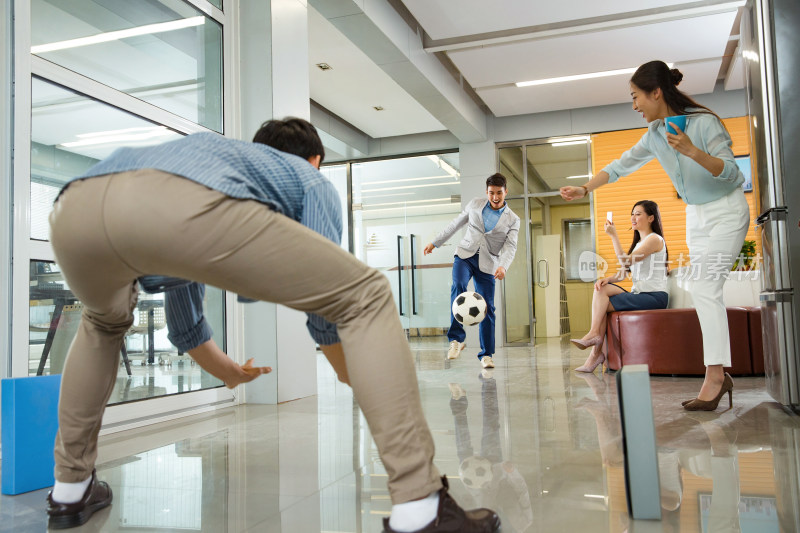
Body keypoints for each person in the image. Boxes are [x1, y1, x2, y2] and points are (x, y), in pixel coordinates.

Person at [45, 117, 501, 533]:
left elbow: (181, 274)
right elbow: (334, 304)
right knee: (367, 294)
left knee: (103, 325)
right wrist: (350, 371)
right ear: (316, 160)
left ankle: (70, 489)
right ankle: (420, 508)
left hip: (74, 208)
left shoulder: (214, 158)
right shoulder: (309, 179)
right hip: (174, 204)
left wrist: (224, 370)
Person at [561, 60, 750, 411]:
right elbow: (620, 165)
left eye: (636, 97)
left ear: (656, 92)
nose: (634, 106)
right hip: (695, 214)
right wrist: (586, 188)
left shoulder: (704, 123)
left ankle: (715, 375)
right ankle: (719, 374)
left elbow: (733, 176)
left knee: (707, 287)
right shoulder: (654, 135)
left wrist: (692, 151)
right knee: (702, 290)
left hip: (725, 211)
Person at [424, 173, 519, 369]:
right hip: (465, 255)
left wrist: (503, 266)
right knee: (458, 285)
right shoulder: (475, 204)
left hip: (488, 263)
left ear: (505, 192)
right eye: (491, 193)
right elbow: (456, 223)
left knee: (488, 308)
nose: (495, 197)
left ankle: (486, 355)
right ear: (487, 192)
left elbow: (511, 246)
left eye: (499, 193)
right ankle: (456, 340)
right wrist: (435, 242)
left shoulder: (513, 219)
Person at [571, 200, 669, 373]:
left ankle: (595, 349)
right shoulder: (640, 243)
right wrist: (607, 279)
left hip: (654, 296)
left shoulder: (654, 239)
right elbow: (624, 272)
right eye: (632, 213)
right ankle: (595, 346)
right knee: (602, 290)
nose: (633, 217)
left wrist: (614, 236)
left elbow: (625, 260)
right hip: (640, 294)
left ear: (651, 218)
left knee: (601, 306)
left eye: (638, 214)